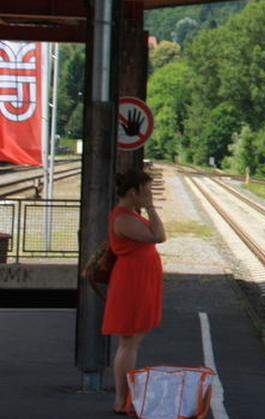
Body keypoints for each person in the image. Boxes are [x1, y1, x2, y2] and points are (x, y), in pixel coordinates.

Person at [102, 169, 166, 414]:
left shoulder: (129, 215)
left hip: (139, 279)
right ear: (133, 192)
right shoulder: (123, 218)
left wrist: (147, 207)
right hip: (132, 282)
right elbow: (159, 235)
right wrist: (150, 207)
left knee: (132, 341)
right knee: (129, 341)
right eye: (146, 190)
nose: (150, 194)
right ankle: (121, 399)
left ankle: (125, 397)